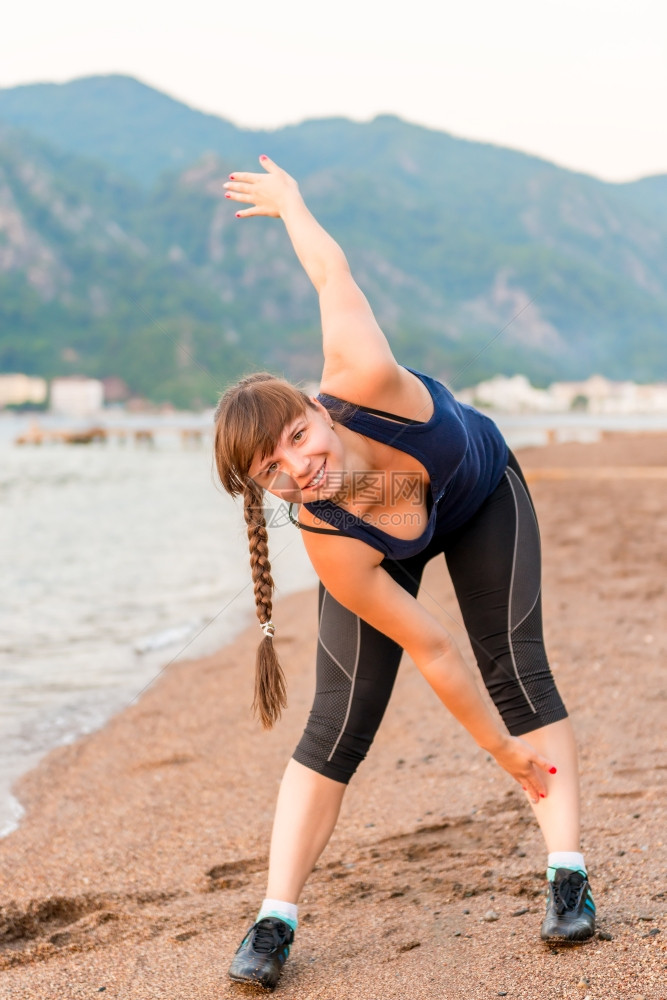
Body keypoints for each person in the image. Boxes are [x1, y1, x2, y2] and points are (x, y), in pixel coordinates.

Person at [215, 156, 596, 991]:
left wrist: (292, 206)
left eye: (295, 438)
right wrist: (494, 752)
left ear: (317, 409)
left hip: (479, 493)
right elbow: (430, 648)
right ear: (261, 487)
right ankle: (275, 918)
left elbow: (328, 270)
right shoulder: (329, 539)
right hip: (383, 543)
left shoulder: (365, 375)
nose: (297, 466)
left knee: (519, 670)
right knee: (337, 721)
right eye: (270, 469)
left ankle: (566, 875)